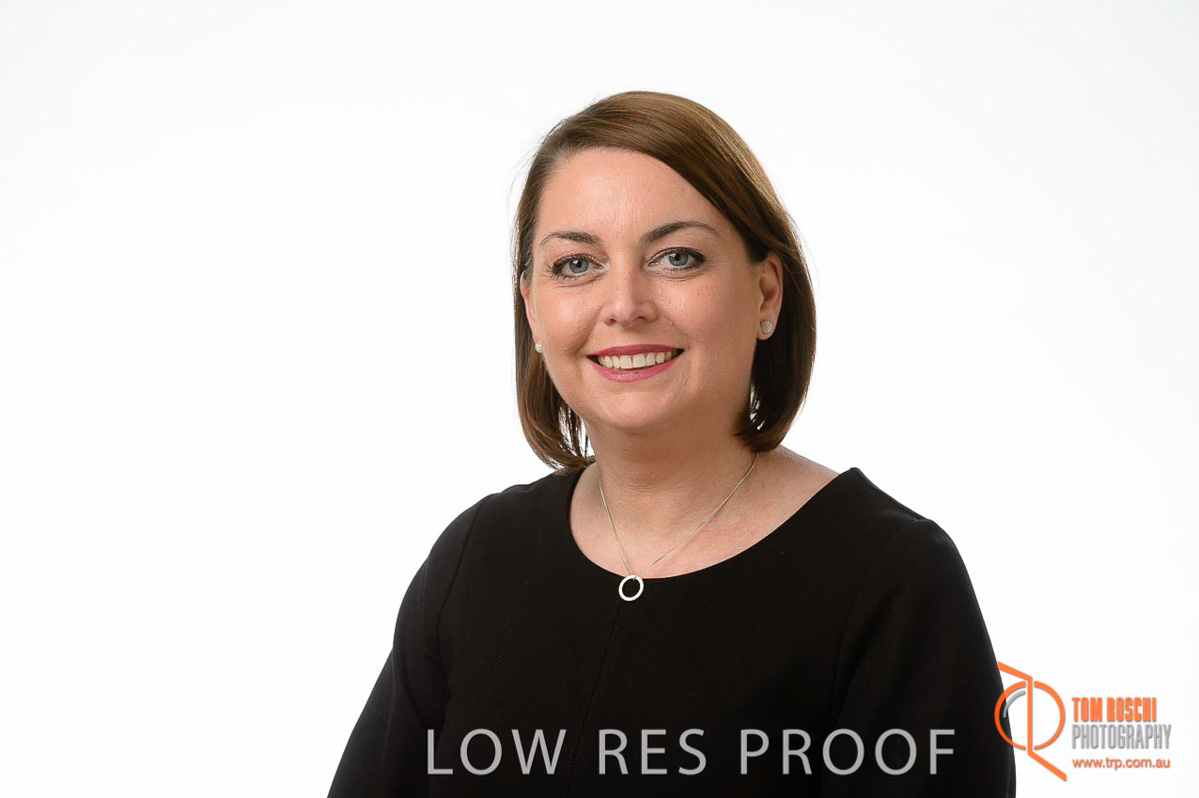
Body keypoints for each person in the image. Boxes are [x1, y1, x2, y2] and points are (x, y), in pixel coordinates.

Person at [326, 90, 1016, 797]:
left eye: (676, 257)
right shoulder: (479, 556)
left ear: (766, 293)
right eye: (576, 265)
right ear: (531, 306)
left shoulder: (892, 581)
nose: (625, 305)